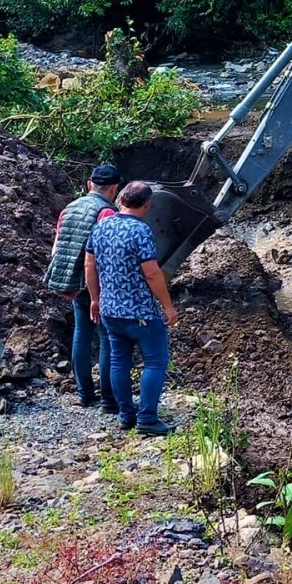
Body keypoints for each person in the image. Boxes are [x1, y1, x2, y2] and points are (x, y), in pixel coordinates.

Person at [84, 181, 179, 436]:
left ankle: (126, 415)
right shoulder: (141, 231)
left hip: (110, 311)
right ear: (147, 204)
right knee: (156, 362)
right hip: (141, 313)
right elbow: (151, 272)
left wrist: (95, 299)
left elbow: (89, 266)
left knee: (119, 362)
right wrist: (167, 307)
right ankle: (147, 418)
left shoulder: (100, 226)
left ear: (121, 200)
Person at [44, 163, 120, 410]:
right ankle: (109, 399)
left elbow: (56, 248)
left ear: (89, 185)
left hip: (75, 283)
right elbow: (105, 255)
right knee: (107, 338)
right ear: (114, 189)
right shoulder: (107, 213)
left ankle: (84, 394)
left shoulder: (69, 208)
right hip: (98, 283)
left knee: (82, 334)